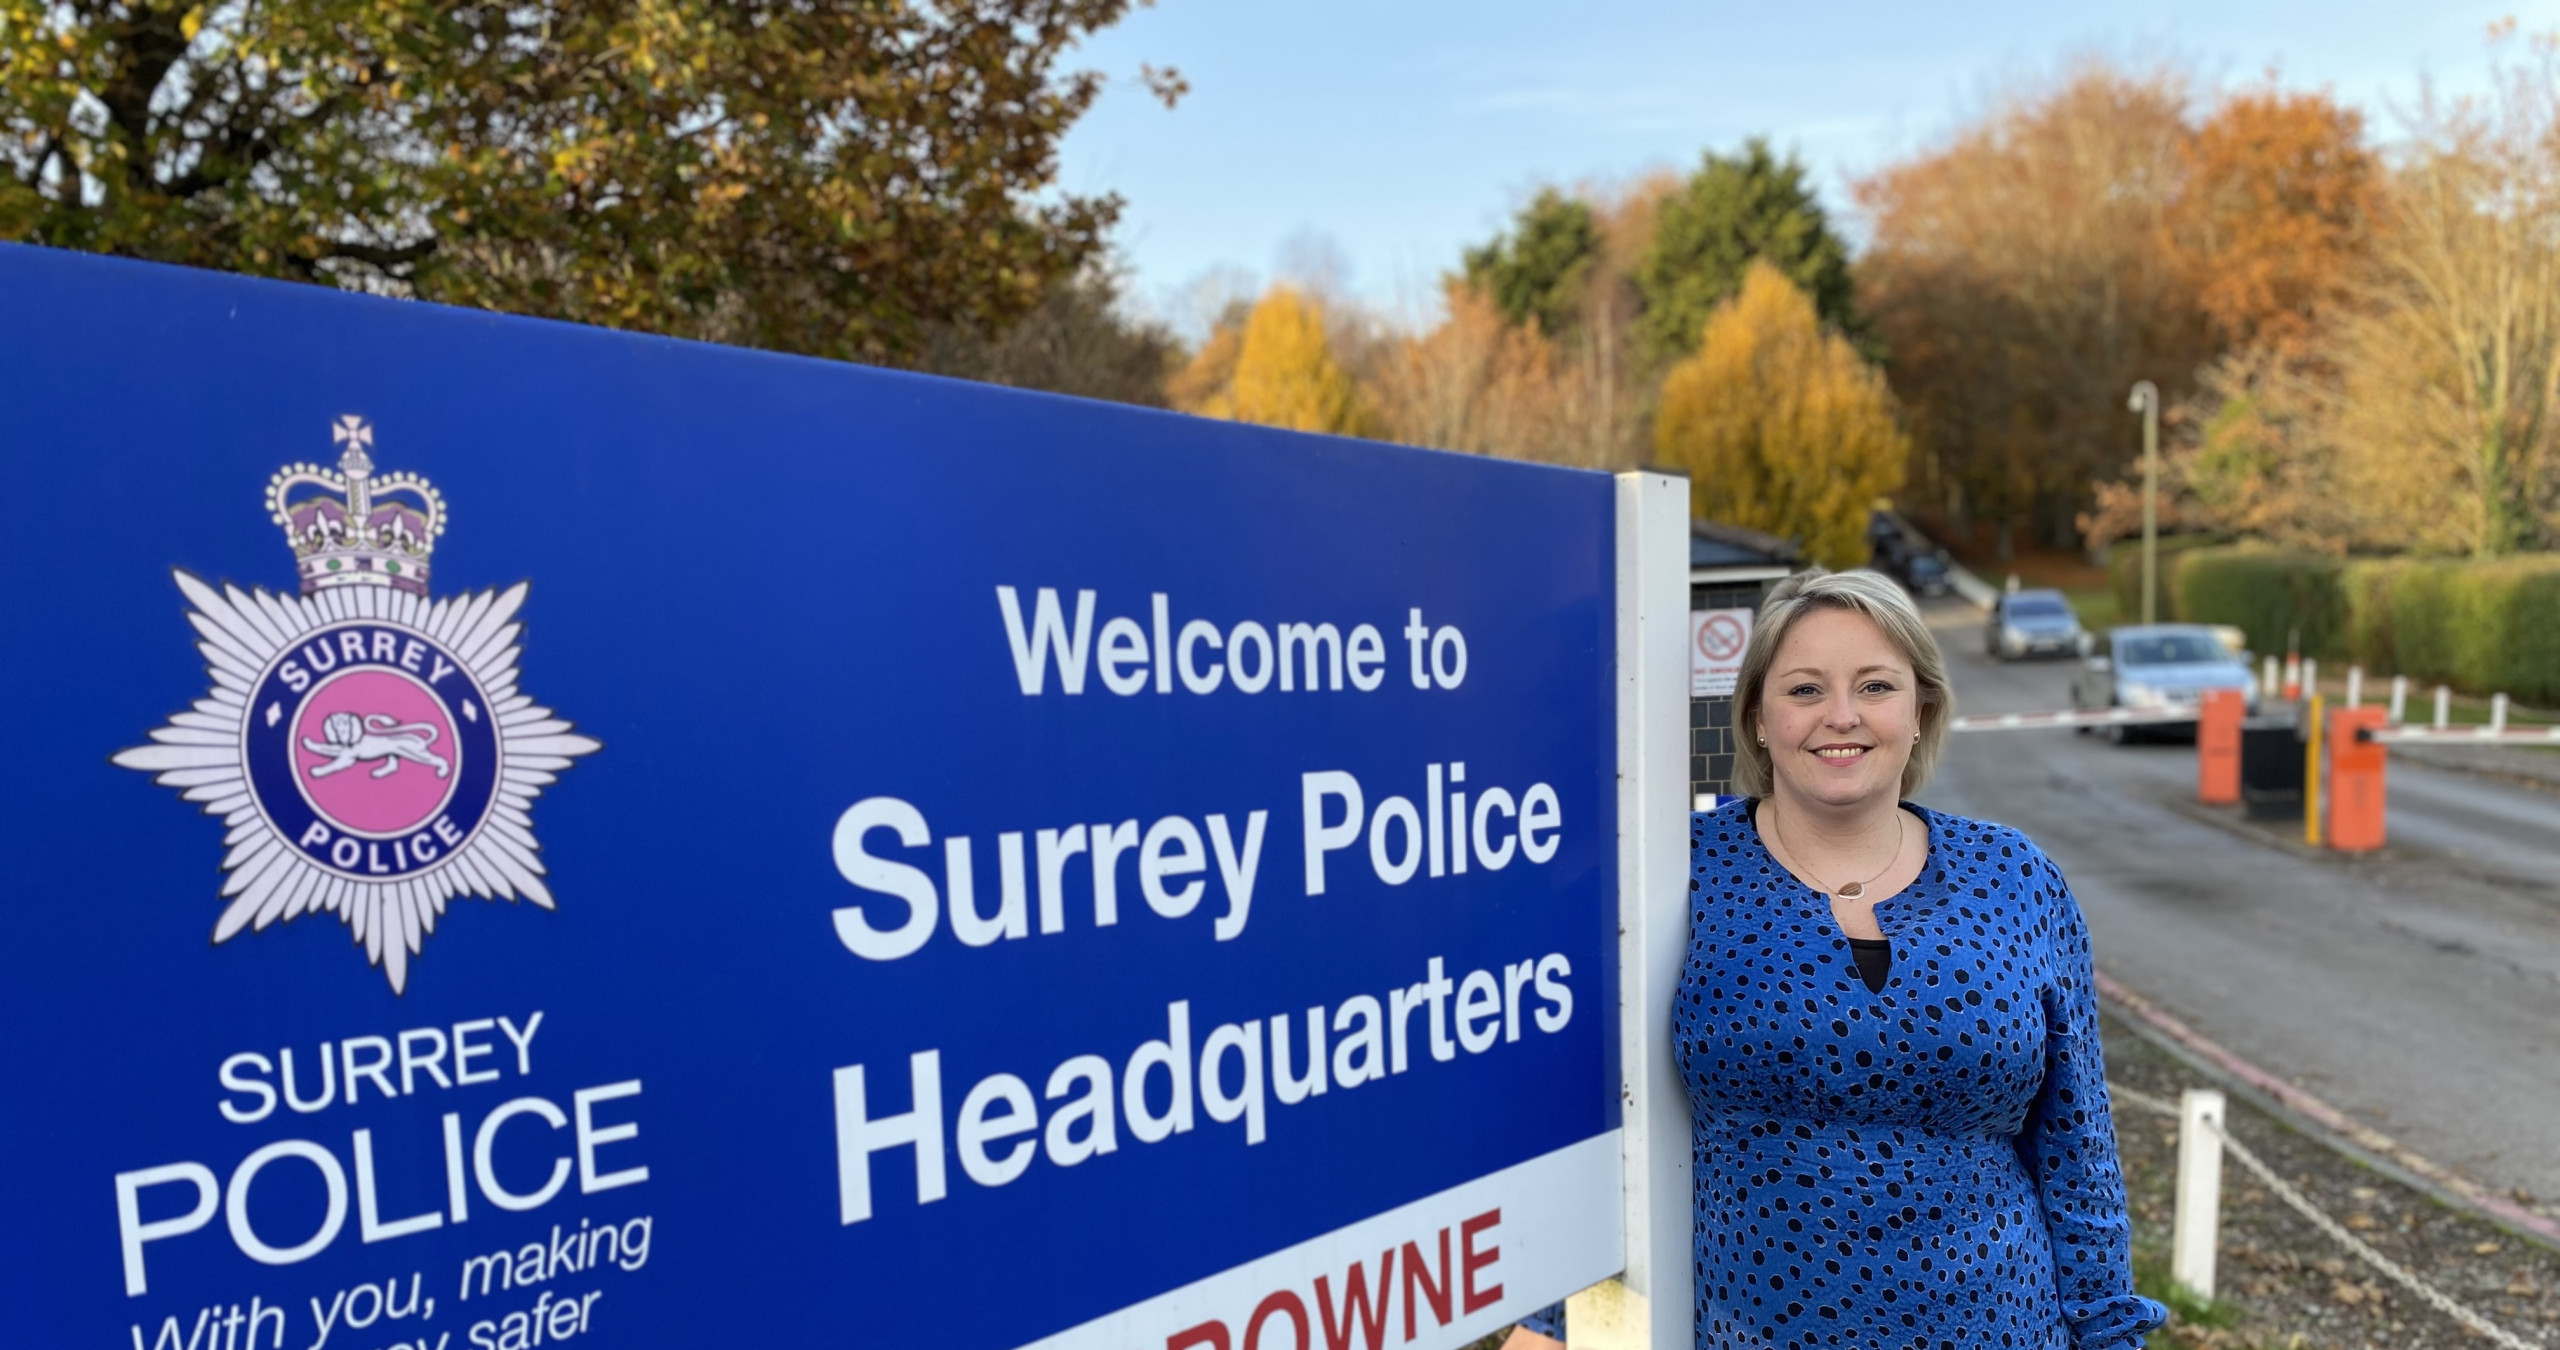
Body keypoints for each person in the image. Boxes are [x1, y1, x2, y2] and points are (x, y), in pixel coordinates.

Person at [1681, 568, 2167, 1349]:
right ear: (1757, 719)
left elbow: (2078, 1146)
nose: (1841, 716)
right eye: (1805, 690)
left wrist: (2111, 1332)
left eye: (1875, 686)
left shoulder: (2015, 878)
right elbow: (1588, 1119)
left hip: (2006, 1328)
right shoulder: (1678, 878)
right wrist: (1554, 1319)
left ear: (1920, 712)